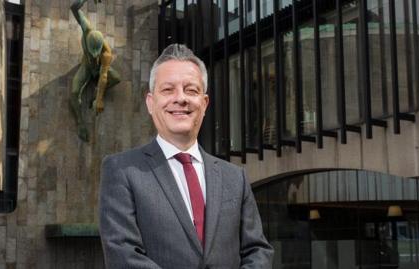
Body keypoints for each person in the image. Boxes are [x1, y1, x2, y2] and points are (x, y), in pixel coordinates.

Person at [99, 44, 273, 268]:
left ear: (204, 103)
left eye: (191, 90)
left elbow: (257, 251)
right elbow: (122, 255)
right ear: (151, 103)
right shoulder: (121, 170)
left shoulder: (235, 178)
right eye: (168, 90)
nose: (180, 98)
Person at [70, 0, 121, 141]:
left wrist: (99, 99)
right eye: (93, 52)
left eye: (96, 53)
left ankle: (96, 94)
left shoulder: (106, 54)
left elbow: (104, 76)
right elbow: (74, 8)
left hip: (99, 69)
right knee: (74, 92)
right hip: (86, 66)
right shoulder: (87, 28)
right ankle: (80, 123)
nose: (95, 55)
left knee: (116, 78)